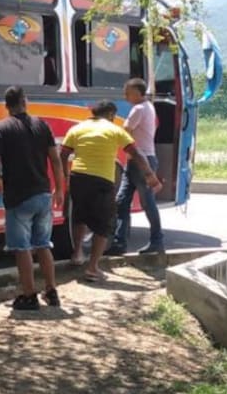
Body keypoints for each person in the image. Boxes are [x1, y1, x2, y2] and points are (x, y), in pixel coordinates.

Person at [61, 100, 162, 282]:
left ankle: (77, 254)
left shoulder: (77, 129)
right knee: (104, 224)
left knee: (79, 216)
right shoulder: (115, 130)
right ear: (110, 115)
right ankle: (92, 268)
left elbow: (63, 153)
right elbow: (136, 153)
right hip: (101, 180)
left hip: (78, 177)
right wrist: (149, 174)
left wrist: (65, 176)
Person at [0, 85, 65, 310]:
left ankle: (29, 295)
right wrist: (59, 189)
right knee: (43, 245)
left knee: (21, 248)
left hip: (18, 197)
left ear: (6, 106)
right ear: (25, 102)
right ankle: (51, 291)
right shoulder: (42, 125)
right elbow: (55, 159)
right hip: (43, 193)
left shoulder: (1, 129)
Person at [111, 78, 165, 255]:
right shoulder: (148, 106)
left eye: (128, 92)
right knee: (122, 201)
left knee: (147, 202)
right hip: (136, 160)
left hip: (142, 161)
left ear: (137, 93)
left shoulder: (138, 109)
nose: (125, 96)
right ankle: (119, 242)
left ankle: (157, 240)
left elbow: (124, 131)